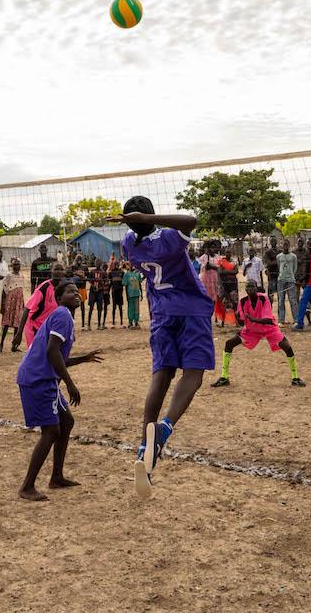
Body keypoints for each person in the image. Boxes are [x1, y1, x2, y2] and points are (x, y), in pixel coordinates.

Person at [111, 198, 214, 501]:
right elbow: (190, 220)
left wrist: (138, 220)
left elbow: (140, 230)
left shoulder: (129, 243)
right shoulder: (169, 238)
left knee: (162, 373)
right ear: (151, 215)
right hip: (191, 309)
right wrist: (147, 218)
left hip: (160, 313)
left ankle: (145, 444)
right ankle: (165, 427)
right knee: (193, 375)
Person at [16, 280, 104, 501]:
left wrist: (83, 359)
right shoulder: (62, 315)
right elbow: (52, 351)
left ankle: (56, 477)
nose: (76, 294)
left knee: (66, 422)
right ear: (59, 298)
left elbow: (58, 357)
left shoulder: (65, 317)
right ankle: (27, 486)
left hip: (45, 378)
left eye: (77, 291)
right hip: (37, 379)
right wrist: (70, 384)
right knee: (51, 430)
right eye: (70, 291)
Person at [211, 282, 304, 388]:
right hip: (252, 330)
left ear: (256, 288)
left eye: (252, 287)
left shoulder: (263, 298)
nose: (250, 289)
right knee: (229, 343)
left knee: (287, 347)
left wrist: (253, 319)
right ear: (245, 290)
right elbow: (241, 323)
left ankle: (295, 378)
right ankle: (224, 377)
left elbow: (268, 320)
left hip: (269, 329)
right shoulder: (243, 301)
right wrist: (236, 315)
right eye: (248, 287)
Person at [13, 263, 68, 351]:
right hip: (35, 327)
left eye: (61, 269)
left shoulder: (64, 288)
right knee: (37, 354)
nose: (59, 272)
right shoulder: (44, 288)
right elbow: (27, 309)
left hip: (50, 328)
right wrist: (19, 333)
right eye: (56, 269)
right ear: (51, 271)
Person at [0, 259, 27, 352]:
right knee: (6, 323)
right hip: (10, 302)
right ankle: (1, 345)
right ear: (12, 266)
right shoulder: (8, 276)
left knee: (17, 324)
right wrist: (2, 305)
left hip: (18, 303)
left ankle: (14, 346)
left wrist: (23, 304)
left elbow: (21, 291)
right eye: (15, 265)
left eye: (18, 265)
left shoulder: (22, 276)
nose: (17, 266)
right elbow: (4, 291)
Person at [274, 239, 297, 324]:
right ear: (282, 245)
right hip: (281, 280)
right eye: (284, 244)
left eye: (287, 244)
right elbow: (279, 266)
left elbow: (295, 268)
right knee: (281, 300)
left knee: (293, 300)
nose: (285, 246)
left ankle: (296, 319)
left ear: (289, 245)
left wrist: (291, 275)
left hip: (291, 280)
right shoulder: (278, 256)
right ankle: (281, 320)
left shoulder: (293, 256)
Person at [123, 262, 144, 329]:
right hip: (130, 294)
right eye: (130, 265)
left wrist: (141, 294)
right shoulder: (126, 274)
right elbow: (126, 286)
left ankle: (136, 322)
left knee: (137, 309)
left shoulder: (137, 274)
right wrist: (127, 295)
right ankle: (130, 322)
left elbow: (139, 284)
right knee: (130, 308)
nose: (132, 267)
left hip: (137, 294)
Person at [109, 260, 125, 327]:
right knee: (114, 307)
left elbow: (124, 282)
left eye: (117, 264)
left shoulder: (122, 272)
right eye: (115, 264)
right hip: (114, 291)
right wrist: (108, 291)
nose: (116, 265)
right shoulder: (111, 273)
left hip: (120, 291)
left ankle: (121, 322)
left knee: (120, 307)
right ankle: (113, 322)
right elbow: (110, 283)